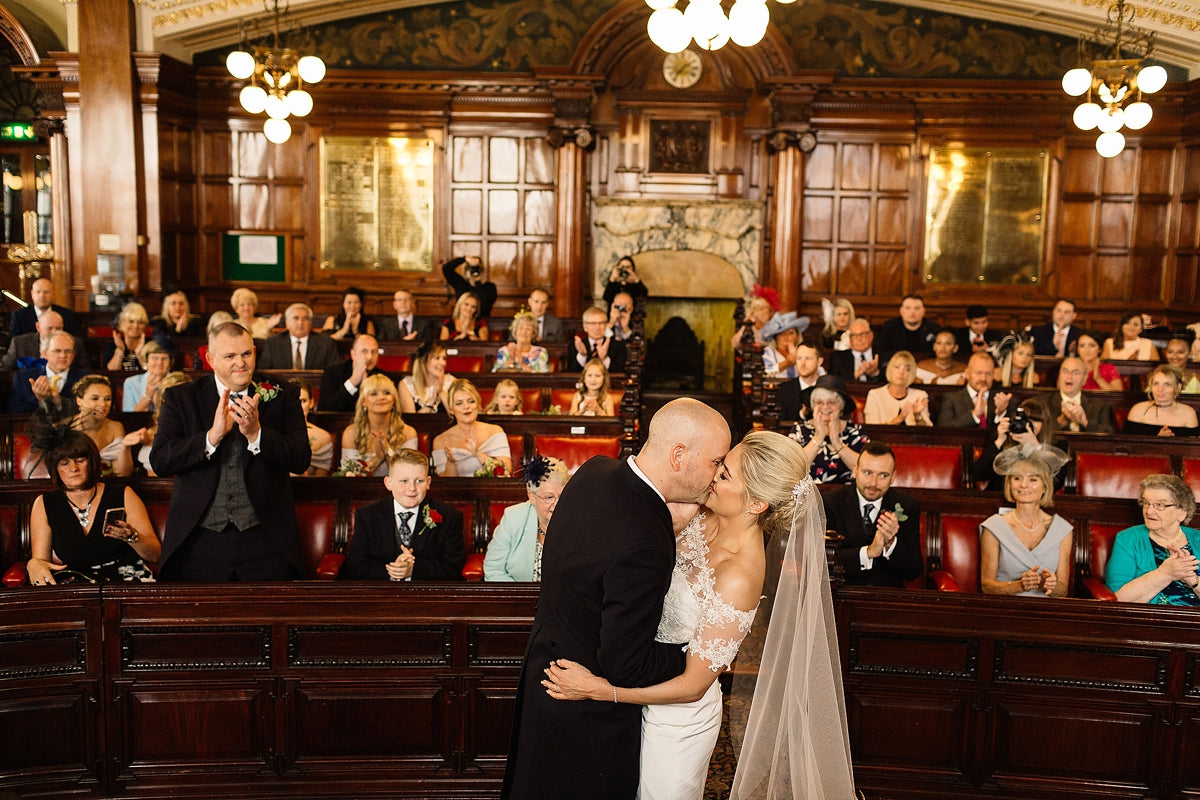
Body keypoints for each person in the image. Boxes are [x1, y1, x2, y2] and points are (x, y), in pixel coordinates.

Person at [540, 431, 814, 800]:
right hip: (634, 681)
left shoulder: (740, 577)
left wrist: (599, 690)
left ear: (757, 504)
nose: (713, 476)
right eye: (720, 464)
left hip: (677, 723)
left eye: (725, 473)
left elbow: (694, 685)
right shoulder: (699, 514)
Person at [501, 398, 731, 800]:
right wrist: (696, 658)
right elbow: (625, 664)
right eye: (715, 461)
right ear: (679, 456)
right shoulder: (645, 544)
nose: (717, 474)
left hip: (543, 675)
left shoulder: (594, 471)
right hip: (586, 719)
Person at [150, 321, 312, 581]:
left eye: (247, 354)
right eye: (230, 356)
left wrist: (256, 434)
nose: (241, 363)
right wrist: (211, 437)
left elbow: (300, 459)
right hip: (198, 540)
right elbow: (160, 461)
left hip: (266, 538)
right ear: (210, 359)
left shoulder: (283, 394)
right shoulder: (181, 398)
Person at [26, 429, 160, 585]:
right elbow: (41, 564)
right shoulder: (45, 503)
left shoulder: (123, 494)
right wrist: (32, 564)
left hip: (127, 581)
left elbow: (155, 555)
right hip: (78, 584)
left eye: (80, 460)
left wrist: (132, 537)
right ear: (55, 468)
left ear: (92, 461)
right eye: (64, 463)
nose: (73, 468)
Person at [342, 449, 466, 581]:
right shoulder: (367, 516)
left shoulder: (450, 517)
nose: (412, 488)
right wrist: (394, 571)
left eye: (419, 481)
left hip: (427, 596)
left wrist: (413, 570)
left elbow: (453, 567)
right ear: (388, 483)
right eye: (404, 481)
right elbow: (355, 565)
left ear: (428, 482)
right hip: (380, 593)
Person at [822, 440, 922, 587]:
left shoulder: (908, 506)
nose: (873, 483)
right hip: (843, 595)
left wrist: (891, 544)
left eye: (883, 475)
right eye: (868, 473)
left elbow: (914, 571)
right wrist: (867, 553)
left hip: (887, 599)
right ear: (855, 470)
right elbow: (820, 560)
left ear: (893, 477)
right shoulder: (831, 502)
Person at [979, 451, 1073, 597]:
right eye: (1017, 478)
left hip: (1046, 613)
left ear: (1045, 486)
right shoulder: (994, 527)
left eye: (1033, 479)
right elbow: (986, 586)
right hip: (1007, 611)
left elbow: (1062, 591)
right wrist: (1020, 586)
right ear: (1009, 484)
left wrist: (1048, 584)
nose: (1023, 485)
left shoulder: (1063, 530)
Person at [1106, 474, 1200, 605]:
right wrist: (1164, 574)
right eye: (1146, 503)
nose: (1149, 511)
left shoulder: (1198, 539)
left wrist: (1192, 580)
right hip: (1151, 621)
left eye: (1160, 505)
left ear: (1182, 512)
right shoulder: (1127, 539)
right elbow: (1116, 600)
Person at [483, 455, 570, 581]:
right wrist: (520, 597)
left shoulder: (576, 520)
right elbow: (493, 569)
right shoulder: (513, 518)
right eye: (549, 497)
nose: (557, 504)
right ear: (532, 497)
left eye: (562, 496)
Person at [972, 397, 1069, 492]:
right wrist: (999, 441)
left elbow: (1056, 483)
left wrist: (1035, 445)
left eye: (1035, 420)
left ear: (1044, 423)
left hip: (1036, 501)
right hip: (1000, 497)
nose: (1028, 425)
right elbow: (978, 475)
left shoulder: (1058, 444)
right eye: (1025, 421)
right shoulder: (1003, 438)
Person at [789, 374, 867, 484]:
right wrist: (818, 437)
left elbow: (866, 470)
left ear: (841, 406)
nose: (825, 407)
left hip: (846, 496)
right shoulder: (799, 429)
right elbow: (793, 469)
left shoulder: (856, 431)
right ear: (813, 406)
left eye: (831, 402)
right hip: (808, 496)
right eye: (819, 402)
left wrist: (836, 442)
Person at [339, 374, 418, 477]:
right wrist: (377, 459)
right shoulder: (351, 433)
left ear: (394, 400)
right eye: (373, 394)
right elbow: (348, 476)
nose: (381, 397)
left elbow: (408, 476)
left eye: (387, 393)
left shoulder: (408, 433)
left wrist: (387, 451)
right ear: (363, 401)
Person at [432, 379, 512, 477]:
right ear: (451, 409)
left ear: (478, 404)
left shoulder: (495, 431)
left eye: (471, 401)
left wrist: (477, 453)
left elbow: (506, 471)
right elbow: (446, 485)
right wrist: (451, 463)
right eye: (459, 403)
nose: (466, 406)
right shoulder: (441, 440)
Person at [123, 371, 190, 476]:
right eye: (173, 396)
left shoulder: (200, 429)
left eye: (184, 395)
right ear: (163, 400)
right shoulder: (149, 433)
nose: (179, 401)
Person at [9, 331, 86, 415]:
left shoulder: (84, 379)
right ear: (45, 354)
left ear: (73, 355)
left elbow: (87, 412)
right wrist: (38, 399)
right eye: (57, 351)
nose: (63, 356)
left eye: (68, 351)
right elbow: (14, 412)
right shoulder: (23, 378)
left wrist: (60, 403)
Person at [71, 375, 134, 477]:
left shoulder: (116, 427)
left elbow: (122, 474)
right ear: (79, 400)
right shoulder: (65, 427)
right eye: (95, 398)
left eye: (107, 399)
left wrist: (125, 448)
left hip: (108, 484)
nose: (103, 404)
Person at [936, 352, 1012, 431]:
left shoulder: (1004, 400)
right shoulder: (951, 399)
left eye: (988, 374)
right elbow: (943, 429)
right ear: (967, 373)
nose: (983, 378)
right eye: (979, 373)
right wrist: (974, 415)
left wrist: (1001, 413)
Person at [257, 303, 341, 371]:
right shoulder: (273, 343)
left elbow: (334, 371)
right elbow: (264, 371)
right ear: (287, 323)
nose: (300, 322)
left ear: (311, 323)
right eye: (296, 318)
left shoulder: (326, 343)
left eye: (305, 318)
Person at [1124, 364, 1200, 437]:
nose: (1160, 389)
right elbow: (1126, 446)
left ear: (1178, 387)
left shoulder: (1188, 414)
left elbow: (1193, 449)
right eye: (1156, 383)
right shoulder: (1137, 410)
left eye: (1167, 384)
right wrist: (1158, 439)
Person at [318, 333, 387, 412]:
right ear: (353, 354)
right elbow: (325, 408)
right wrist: (353, 382)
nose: (370, 357)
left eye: (374, 352)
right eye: (364, 351)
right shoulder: (332, 373)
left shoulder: (384, 377)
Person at [1046, 357, 1117, 433]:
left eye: (1076, 373)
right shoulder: (1042, 403)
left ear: (1085, 379)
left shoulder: (1100, 406)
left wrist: (1086, 423)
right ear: (1059, 376)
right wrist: (1060, 422)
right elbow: (1036, 434)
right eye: (1065, 371)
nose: (1069, 376)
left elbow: (1110, 434)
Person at [1, 309, 90, 370]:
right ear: (38, 327)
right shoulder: (19, 343)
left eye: (58, 328)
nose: (54, 332)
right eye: (49, 328)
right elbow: (5, 368)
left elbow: (85, 370)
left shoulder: (75, 343)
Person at [864, 351, 932, 426]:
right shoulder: (875, 395)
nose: (901, 372)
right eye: (897, 367)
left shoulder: (920, 395)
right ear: (890, 369)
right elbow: (872, 430)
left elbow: (927, 431)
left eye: (907, 369)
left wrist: (917, 416)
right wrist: (899, 419)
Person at [10, 276, 80, 338]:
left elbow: (73, 342)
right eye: (38, 292)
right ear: (32, 293)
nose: (42, 295)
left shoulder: (67, 315)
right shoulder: (19, 315)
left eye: (46, 292)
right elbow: (15, 343)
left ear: (53, 294)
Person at [876, 294, 940, 361]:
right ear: (901, 310)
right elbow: (882, 353)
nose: (912, 312)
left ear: (924, 311)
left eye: (917, 308)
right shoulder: (890, 327)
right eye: (908, 308)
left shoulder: (934, 328)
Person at [290, 378, 333, 476]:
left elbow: (320, 484)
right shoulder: (274, 433)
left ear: (311, 403)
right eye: (293, 401)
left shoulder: (323, 437)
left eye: (302, 401)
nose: (298, 406)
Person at [775, 339, 826, 419]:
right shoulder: (782, 391)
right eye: (799, 358)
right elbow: (780, 424)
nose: (803, 363)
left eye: (808, 358)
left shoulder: (828, 390)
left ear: (819, 362)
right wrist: (802, 414)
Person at [399, 342, 455, 414]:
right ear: (423, 361)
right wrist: (432, 400)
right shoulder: (406, 385)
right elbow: (412, 421)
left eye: (444, 358)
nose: (443, 363)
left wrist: (441, 392)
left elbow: (458, 418)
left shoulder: (451, 382)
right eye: (437, 358)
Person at [572, 305, 627, 373]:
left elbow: (620, 372)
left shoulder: (618, 345)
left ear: (606, 325)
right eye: (593, 323)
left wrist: (605, 359)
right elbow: (571, 372)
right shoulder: (576, 345)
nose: (597, 327)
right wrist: (582, 355)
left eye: (601, 323)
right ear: (585, 326)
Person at [122, 342, 173, 412]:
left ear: (170, 363)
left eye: (164, 358)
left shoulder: (178, 382)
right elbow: (128, 415)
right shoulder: (131, 382)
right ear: (146, 361)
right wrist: (148, 394)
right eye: (155, 358)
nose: (160, 362)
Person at [828, 317, 881, 384]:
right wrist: (859, 372)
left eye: (863, 334)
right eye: (854, 335)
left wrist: (875, 373)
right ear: (850, 339)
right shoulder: (838, 358)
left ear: (871, 335)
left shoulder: (883, 356)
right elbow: (833, 383)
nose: (859, 338)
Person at [103, 301, 152, 371]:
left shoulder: (151, 345)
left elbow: (151, 372)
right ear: (121, 324)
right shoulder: (113, 345)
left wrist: (139, 354)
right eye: (131, 321)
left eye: (140, 322)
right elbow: (111, 373)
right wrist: (120, 350)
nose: (135, 326)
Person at [760, 311, 810, 379]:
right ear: (775, 337)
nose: (786, 336)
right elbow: (764, 373)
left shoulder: (804, 351)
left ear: (798, 336)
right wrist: (788, 363)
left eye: (791, 333)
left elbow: (815, 372)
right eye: (781, 333)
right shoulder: (769, 352)